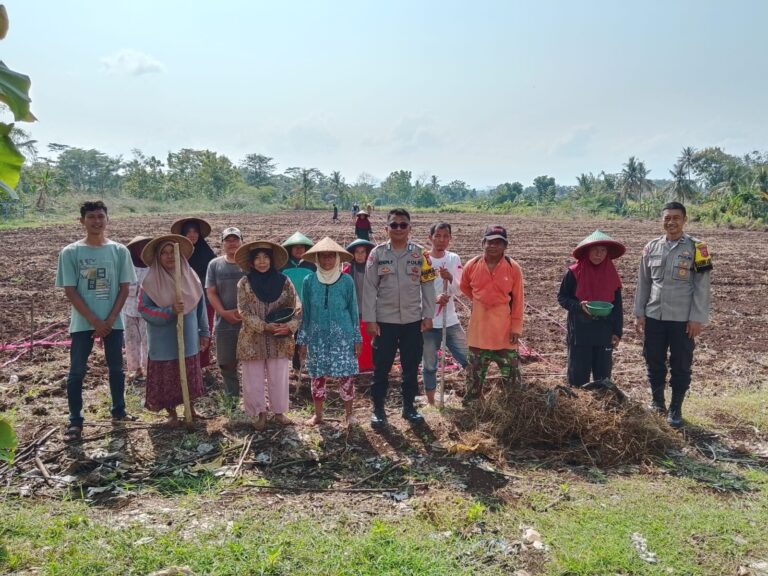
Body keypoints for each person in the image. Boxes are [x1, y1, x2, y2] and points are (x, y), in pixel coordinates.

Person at [55, 200, 137, 442]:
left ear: (107, 220)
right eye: (91, 217)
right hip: (82, 323)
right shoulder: (70, 252)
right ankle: (75, 421)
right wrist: (94, 320)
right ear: (82, 221)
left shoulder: (119, 251)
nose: (96, 221)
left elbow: (124, 288)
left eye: (100, 216)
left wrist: (109, 319)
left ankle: (119, 411)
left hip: (113, 323)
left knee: (116, 369)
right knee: (77, 371)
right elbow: (70, 290)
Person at [634, 202, 712, 428]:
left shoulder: (699, 248)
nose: (671, 222)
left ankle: (676, 408)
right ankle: (657, 402)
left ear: (684, 220)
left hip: (682, 319)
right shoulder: (651, 247)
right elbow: (644, 282)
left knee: (681, 364)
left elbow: (702, 286)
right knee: (653, 360)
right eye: (667, 218)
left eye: (676, 218)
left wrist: (697, 317)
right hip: (654, 316)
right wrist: (639, 313)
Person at [362, 208, 436, 427]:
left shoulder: (421, 254)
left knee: (410, 367)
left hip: (412, 321)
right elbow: (369, 288)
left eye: (403, 225)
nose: (398, 229)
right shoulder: (377, 254)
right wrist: (370, 320)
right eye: (394, 225)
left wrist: (428, 314)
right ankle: (378, 410)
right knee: (381, 367)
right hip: (385, 321)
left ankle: (409, 408)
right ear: (387, 228)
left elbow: (428, 285)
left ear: (409, 228)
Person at [139, 235, 210, 426]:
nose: (169, 256)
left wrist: (204, 332)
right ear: (158, 257)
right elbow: (144, 309)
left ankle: (190, 408)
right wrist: (169, 311)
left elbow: (201, 307)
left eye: (173, 252)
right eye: (164, 253)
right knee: (167, 377)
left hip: (188, 337)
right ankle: (171, 414)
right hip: (163, 342)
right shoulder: (150, 282)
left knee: (188, 373)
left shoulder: (191, 277)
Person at [236, 240, 301, 430]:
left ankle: (279, 412)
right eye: (257, 258)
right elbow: (243, 311)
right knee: (253, 378)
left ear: (272, 260)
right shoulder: (244, 283)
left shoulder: (284, 282)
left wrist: (290, 327)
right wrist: (264, 326)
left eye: (266, 257)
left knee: (279, 377)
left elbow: (296, 307)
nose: (262, 262)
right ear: (251, 262)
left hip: (279, 338)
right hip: (252, 339)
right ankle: (259, 413)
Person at [296, 237, 362, 427]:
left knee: (346, 376)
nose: (327, 260)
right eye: (323, 257)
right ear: (317, 259)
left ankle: (349, 414)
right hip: (317, 337)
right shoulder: (309, 281)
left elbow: (353, 310)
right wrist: (303, 340)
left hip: (343, 337)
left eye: (331, 256)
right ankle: (318, 415)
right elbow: (306, 313)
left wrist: (357, 338)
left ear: (337, 258)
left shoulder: (346, 280)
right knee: (317, 377)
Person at [460, 225, 524, 402]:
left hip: (504, 333)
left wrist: (516, 327)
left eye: (498, 242)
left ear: (505, 246)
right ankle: (473, 406)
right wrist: (481, 300)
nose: (493, 246)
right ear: (483, 243)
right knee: (473, 378)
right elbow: (464, 287)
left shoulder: (513, 267)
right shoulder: (472, 265)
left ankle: (513, 407)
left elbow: (518, 300)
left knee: (512, 380)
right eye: (489, 242)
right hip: (478, 333)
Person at [557, 230, 625, 388]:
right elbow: (562, 297)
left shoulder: (611, 274)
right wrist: (578, 306)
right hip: (580, 330)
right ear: (587, 251)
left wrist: (617, 331)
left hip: (604, 330)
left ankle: (601, 400)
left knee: (603, 376)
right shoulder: (574, 272)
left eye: (603, 250)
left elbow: (617, 305)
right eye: (595, 250)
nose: (599, 254)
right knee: (578, 375)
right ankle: (578, 401)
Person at [422, 222, 469, 405]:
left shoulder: (453, 258)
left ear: (450, 238)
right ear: (430, 238)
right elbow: (415, 291)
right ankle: (431, 402)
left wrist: (450, 278)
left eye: (445, 236)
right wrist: (434, 299)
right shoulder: (423, 260)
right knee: (429, 365)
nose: (441, 240)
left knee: (468, 359)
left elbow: (460, 290)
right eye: (438, 236)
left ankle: (475, 396)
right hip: (428, 322)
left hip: (450, 321)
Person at [205, 227, 245, 404]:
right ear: (222, 243)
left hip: (248, 323)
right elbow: (211, 292)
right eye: (228, 240)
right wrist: (223, 312)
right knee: (226, 364)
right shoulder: (215, 265)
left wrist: (246, 314)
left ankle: (253, 403)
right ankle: (232, 402)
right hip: (224, 323)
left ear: (241, 242)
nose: (232, 243)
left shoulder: (249, 264)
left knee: (252, 364)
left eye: (235, 239)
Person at [171, 218, 216, 369]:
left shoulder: (208, 254)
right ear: (183, 234)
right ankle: (185, 365)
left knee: (205, 331)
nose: (192, 235)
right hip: (184, 302)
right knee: (185, 332)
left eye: (195, 232)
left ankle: (201, 365)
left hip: (206, 300)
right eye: (188, 232)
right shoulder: (177, 255)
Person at [280, 231, 316, 373]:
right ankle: (286, 366)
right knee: (287, 336)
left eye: (302, 247)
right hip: (287, 307)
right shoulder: (283, 265)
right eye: (296, 247)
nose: (299, 250)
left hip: (306, 306)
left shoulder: (311, 265)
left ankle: (298, 366)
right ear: (290, 249)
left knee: (301, 336)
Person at [342, 238, 376, 373]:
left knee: (370, 341)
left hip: (371, 312)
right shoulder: (347, 272)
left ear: (367, 254)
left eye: (363, 252)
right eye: (357, 252)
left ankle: (371, 366)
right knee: (357, 341)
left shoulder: (373, 270)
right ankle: (358, 366)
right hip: (354, 313)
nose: (360, 255)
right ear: (353, 254)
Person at [124, 235, 151, 383]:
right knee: (131, 340)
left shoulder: (153, 268)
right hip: (128, 309)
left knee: (147, 342)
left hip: (147, 311)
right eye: (140, 248)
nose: (142, 252)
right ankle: (134, 370)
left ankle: (148, 369)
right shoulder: (127, 267)